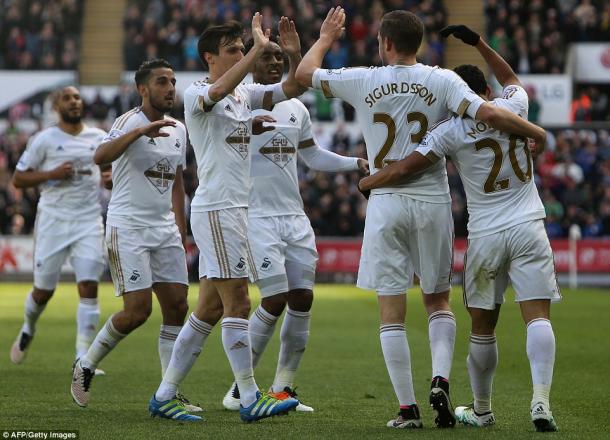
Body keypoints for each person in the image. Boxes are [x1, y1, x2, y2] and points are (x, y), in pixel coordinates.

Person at [296, 8, 547, 429]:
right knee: (437, 300)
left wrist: (325, 37)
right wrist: (534, 131)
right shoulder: (442, 79)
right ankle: (441, 378)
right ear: (420, 43)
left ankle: (407, 409)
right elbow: (487, 113)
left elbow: (305, 74)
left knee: (391, 311)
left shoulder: (364, 78)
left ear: (386, 43)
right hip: (432, 199)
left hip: (386, 201)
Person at [358, 24, 560, 433]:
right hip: (529, 226)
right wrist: (481, 43)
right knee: (537, 317)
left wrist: (369, 181)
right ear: (486, 90)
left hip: (486, 234)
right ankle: (540, 401)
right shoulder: (515, 108)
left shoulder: (450, 131)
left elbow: (406, 167)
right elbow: (512, 80)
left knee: (483, 328)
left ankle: (482, 409)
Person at [149, 14, 307, 423]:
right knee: (239, 301)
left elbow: (291, 88)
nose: (242, 53)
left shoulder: (243, 96)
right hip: (218, 209)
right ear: (209, 57)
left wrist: (294, 55)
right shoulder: (198, 92)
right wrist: (256, 48)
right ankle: (252, 398)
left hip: (236, 210)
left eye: (243, 47)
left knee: (209, 310)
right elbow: (219, 89)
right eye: (234, 49)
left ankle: (165, 394)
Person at [221, 36, 369, 413]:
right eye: (265, 56)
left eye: (278, 56)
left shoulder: (296, 109)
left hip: (293, 216)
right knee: (273, 298)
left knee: (303, 297)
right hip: (256, 216)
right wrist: (242, 130)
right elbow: (214, 145)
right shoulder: (238, 103)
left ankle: (283, 388)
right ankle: (241, 389)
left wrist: (355, 164)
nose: (273, 61)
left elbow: (313, 156)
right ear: (251, 63)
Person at [70, 59, 200, 418]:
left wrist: (180, 228)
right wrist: (138, 134)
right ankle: (86, 363)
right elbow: (100, 157)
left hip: (164, 230)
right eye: (162, 82)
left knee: (177, 306)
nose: (170, 88)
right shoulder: (128, 121)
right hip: (128, 226)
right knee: (138, 312)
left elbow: (176, 181)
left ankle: (168, 391)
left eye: (173, 81)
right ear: (143, 89)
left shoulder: (179, 128)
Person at [11, 86, 107, 376]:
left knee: (89, 285)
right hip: (53, 220)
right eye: (67, 98)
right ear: (56, 105)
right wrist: (51, 174)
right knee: (43, 292)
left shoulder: (99, 138)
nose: (74, 102)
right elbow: (18, 179)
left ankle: (82, 358)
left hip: (89, 220)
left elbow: (108, 171)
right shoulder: (44, 140)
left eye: (77, 97)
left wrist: (109, 177)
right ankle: (28, 326)